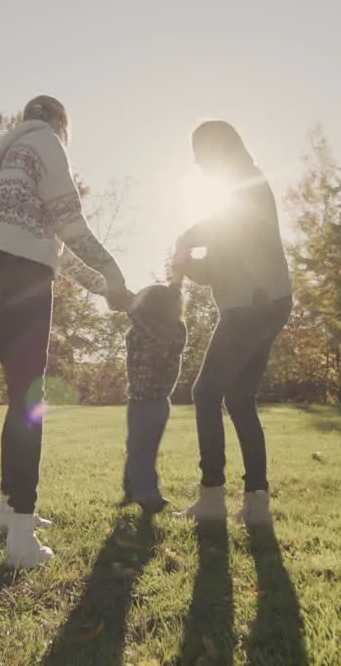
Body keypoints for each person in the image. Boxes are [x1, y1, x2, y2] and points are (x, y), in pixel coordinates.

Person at [0, 95, 133, 568]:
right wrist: (115, 273)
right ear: (63, 123)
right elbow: (70, 224)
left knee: (20, 395)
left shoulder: (13, 158)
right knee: (31, 400)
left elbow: (52, 250)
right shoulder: (48, 143)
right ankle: (21, 537)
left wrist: (103, 288)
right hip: (21, 276)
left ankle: (8, 510)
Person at [171, 120, 293, 527]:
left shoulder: (246, 184)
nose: (198, 162)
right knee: (239, 399)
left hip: (254, 304)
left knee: (205, 392)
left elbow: (225, 230)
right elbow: (219, 267)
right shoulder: (237, 189)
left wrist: (186, 237)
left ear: (221, 148)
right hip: (264, 303)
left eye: (201, 152)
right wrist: (188, 264)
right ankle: (257, 503)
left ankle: (211, 497)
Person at [118, 281, 188, 515]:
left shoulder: (159, 330)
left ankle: (148, 495)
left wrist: (129, 305)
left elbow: (142, 322)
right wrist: (176, 282)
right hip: (149, 400)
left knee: (142, 449)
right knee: (140, 447)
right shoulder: (169, 329)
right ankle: (133, 490)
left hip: (148, 400)